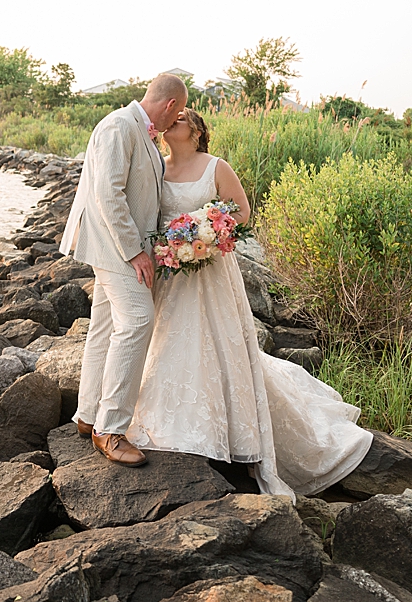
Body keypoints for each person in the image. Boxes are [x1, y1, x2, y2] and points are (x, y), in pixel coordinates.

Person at [127, 107, 373, 496]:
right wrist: (171, 245)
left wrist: (207, 234)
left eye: (177, 120)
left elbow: (241, 212)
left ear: (195, 130)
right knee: (171, 340)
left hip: (211, 270)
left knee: (218, 343)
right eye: (166, 121)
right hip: (174, 273)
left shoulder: (216, 167)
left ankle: (232, 430)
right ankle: (177, 424)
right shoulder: (158, 167)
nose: (168, 124)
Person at [59, 73, 184, 466]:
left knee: (105, 327)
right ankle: (110, 430)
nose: (175, 120)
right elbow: (107, 193)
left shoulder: (141, 133)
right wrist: (135, 252)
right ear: (170, 105)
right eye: (178, 112)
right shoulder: (118, 125)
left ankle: (88, 414)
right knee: (137, 322)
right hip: (115, 248)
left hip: (122, 246)